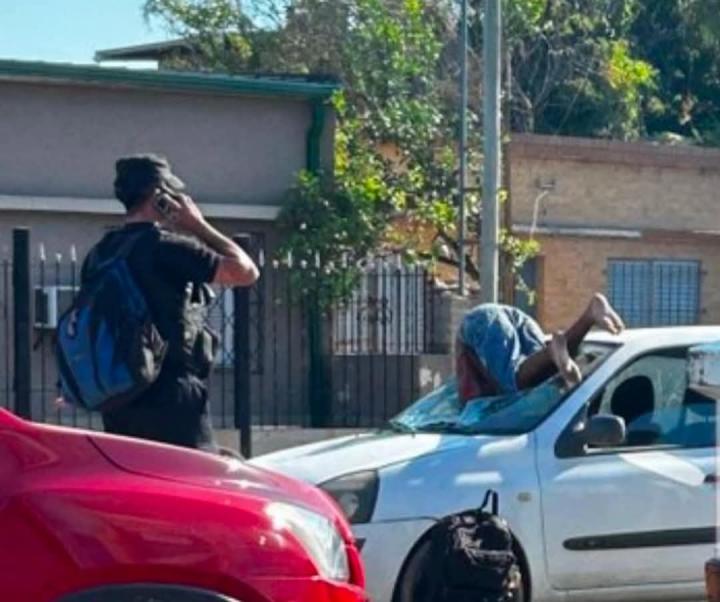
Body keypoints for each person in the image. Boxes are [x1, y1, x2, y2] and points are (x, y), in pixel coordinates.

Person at [79, 154, 259, 450]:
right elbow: (246, 271)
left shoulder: (100, 254)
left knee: (141, 490)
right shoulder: (165, 246)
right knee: (194, 485)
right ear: (159, 195)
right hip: (172, 396)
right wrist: (198, 225)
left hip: (120, 398)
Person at [456, 293, 625, 402]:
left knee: (513, 381)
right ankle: (588, 316)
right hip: (513, 318)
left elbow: (466, 397)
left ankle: (551, 350)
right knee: (544, 371)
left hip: (480, 322)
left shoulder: (465, 383)